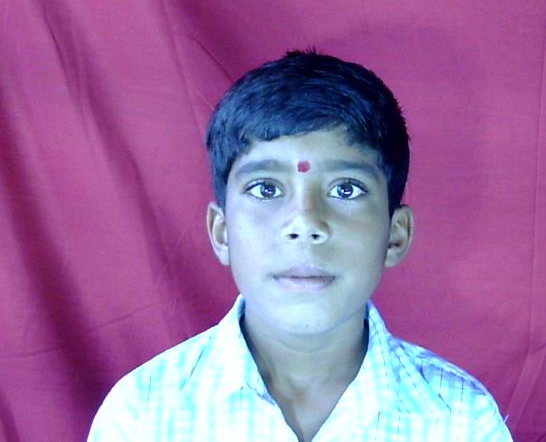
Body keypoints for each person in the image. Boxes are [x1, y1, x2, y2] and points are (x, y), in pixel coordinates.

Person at [88, 50, 513, 441]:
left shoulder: (458, 419)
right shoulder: (145, 413)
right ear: (222, 232)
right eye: (266, 189)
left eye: (345, 190)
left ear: (395, 235)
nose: (306, 223)